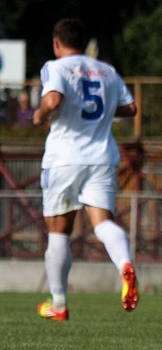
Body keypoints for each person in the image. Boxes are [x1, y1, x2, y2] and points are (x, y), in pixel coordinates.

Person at [33, 18, 139, 321]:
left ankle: (59, 303)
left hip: (65, 157)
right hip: (103, 156)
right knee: (102, 222)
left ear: (57, 42)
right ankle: (125, 265)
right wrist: (102, 109)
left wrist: (39, 115)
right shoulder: (106, 70)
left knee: (59, 231)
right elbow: (130, 108)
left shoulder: (55, 67)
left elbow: (53, 100)